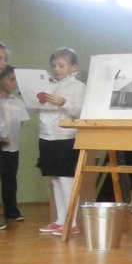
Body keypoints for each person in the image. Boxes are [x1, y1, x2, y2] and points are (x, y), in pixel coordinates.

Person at [36, 47, 86, 236]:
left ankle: (71, 222)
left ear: (73, 67)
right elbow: (37, 108)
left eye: (62, 65)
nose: (57, 69)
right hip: (47, 135)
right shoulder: (47, 85)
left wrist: (63, 102)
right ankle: (60, 219)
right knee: (55, 178)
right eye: (54, 65)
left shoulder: (78, 86)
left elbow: (81, 112)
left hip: (66, 137)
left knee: (66, 179)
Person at [0, 65, 30, 224]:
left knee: (10, 179)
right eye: (11, 79)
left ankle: (11, 211)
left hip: (12, 147)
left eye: (17, 80)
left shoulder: (18, 102)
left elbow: (21, 123)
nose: (15, 83)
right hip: (1, 143)